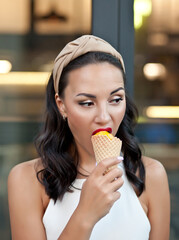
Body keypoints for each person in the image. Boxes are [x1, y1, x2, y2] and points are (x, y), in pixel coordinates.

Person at [8, 35, 170, 240]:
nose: (104, 117)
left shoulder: (151, 176)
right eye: (87, 103)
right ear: (61, 105)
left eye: (116, 99)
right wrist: (85, 214)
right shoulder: (27, 179)